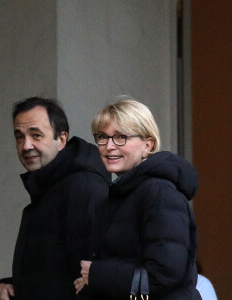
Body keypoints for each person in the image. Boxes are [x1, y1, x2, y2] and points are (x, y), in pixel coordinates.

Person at [74, 98, 202, 299]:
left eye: (121, 137)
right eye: (102, 137)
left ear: (148, 144)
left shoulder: (159, 191)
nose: (109, 146)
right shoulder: (120, 193)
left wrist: (97, 275)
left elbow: (164, 274)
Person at [0, 97, 109, 300]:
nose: (26, 146)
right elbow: (52, 276)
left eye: (36, 135)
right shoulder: (47, 189)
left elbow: (93, 279)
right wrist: (5, 288)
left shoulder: (83, 188)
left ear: (61, 139)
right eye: (19, 136)